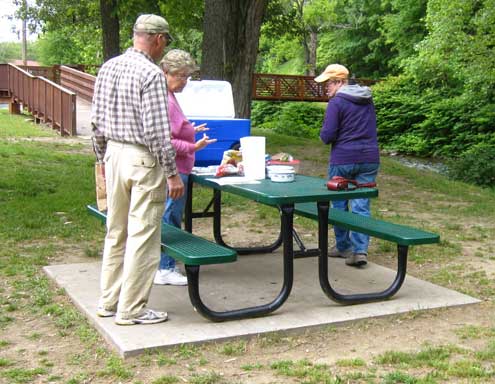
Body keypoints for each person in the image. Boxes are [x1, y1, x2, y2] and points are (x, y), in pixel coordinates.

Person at [91, 14, 184, 325]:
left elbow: (96, 121)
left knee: (115, 232)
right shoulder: (152, 74)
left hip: (113, 155)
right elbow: (158, 131)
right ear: (157, 39)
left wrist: (101, 159)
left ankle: (108, 301)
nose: (164, 48)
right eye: (165, 41)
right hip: (143, 159)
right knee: (143, 234)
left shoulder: (108, 67)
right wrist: (172, 173)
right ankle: (132, 309)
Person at [154, 49, 217, 285]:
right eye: (182, 76)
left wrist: (191, 129)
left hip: (178, 168)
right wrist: (194, 146)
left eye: (187, 77)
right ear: (167, 73)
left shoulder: (167, 96)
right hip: (175, 169)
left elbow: (173, 129)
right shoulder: (166, 100)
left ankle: (162, 264)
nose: (185, 82)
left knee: (168, 215)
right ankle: (165, 267)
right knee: (170, 216)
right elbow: (165, 140)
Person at [314, 64, 380, 267]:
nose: (326, 87)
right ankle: (360, 251)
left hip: (343, 159)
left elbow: (328, 135)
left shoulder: (337, 102)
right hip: (369, 158)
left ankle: (343, 246)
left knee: (339, 203)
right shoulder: (367, 99)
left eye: (329, 83)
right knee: (361, 205)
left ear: (341, 82)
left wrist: (323, 134)